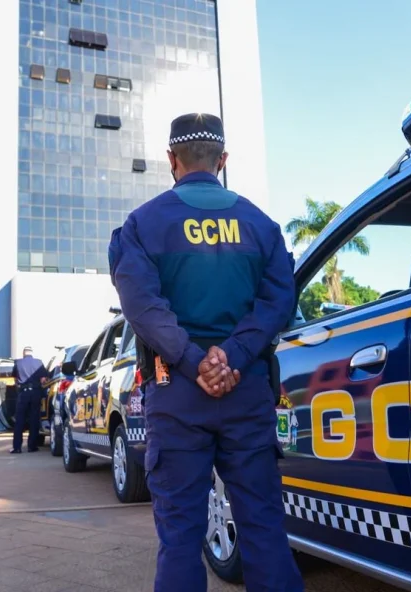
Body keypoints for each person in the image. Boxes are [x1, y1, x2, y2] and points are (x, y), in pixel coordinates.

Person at [110, 113, 303, 592]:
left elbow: (141, 305)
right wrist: (233, 357)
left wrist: (195, 362)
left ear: (171, 159)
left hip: (176, 395)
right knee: (262, 526)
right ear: (223, 160)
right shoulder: (261, 225)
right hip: (247, 392)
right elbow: (280, 300)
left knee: (179, 537)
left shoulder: (142, 225)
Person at [10, 346, 49, 454]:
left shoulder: (18, 363)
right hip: (36, 393)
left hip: (23, 394)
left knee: (19, 420)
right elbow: (43, 380)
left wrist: (19, 387)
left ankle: (17, 447)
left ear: (23, 353)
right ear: (32, 353)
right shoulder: (39, 362)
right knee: (34, 419)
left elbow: (16, 379)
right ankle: (32, 446)